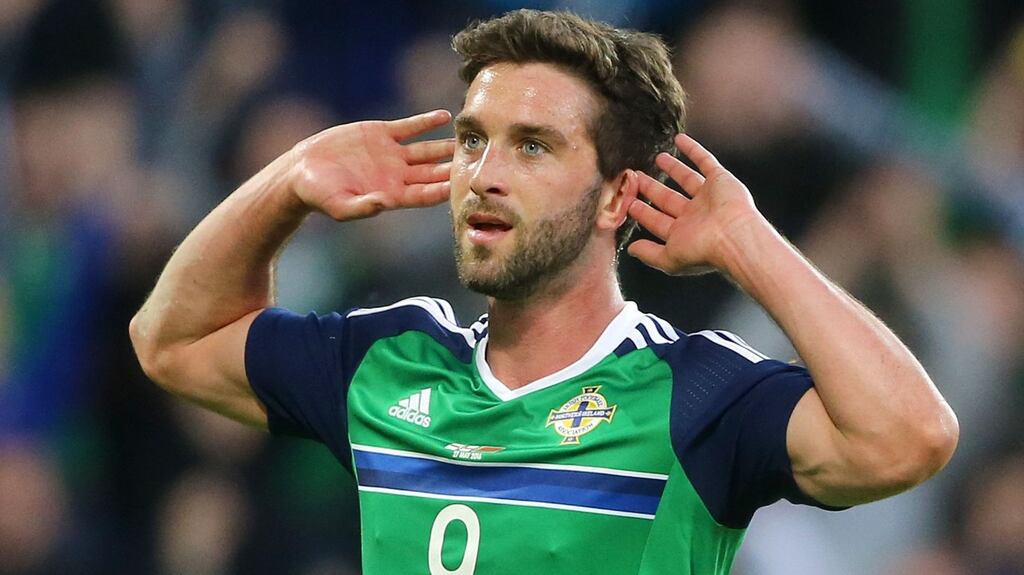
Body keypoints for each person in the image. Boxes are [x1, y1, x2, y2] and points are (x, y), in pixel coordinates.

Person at [129, 9, 959, 575]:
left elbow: (909, 436)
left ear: (615, 196)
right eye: (472, 139)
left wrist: (751, 245)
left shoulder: (694, 393)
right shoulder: (389, 362)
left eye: (532, 146)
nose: (484, 174)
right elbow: (174, 340)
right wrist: (287, 183)